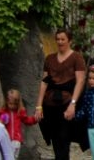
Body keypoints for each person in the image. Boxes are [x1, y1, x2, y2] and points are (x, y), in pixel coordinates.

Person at [35, 27, 88, 160]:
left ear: (69, 40)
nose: (60, 42)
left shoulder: (77, 58)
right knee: (55, 140)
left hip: (67, 103)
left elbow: (80, 81)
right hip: (51, 104)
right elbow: (44, 81)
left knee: (64, 138)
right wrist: (39, 105)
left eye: (62, 39)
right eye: (58, 39)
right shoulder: (50, 58)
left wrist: (73, 104)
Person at [0, 88, 37, 156]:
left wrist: (35, 119)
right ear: (7, 101)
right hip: (5, 139)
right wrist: (0, 119)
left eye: (15, 104)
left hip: (16, 140)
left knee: (12, 157)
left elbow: (27, 120)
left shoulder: (20, 112)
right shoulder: (2, 111)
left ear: (18, 103)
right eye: (10, 103)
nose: (12, 106)